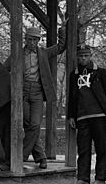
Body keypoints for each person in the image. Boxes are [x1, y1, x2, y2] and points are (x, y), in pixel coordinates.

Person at [4, 26, 65, 169]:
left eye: (35, 40)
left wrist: (62, 30)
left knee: (35, 125)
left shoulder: (43, 53)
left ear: (38, 40)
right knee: (29, 126)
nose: (32, 42)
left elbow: (61, 47)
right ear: (25, 39)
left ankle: (19, 157)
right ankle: (41, 157)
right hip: (22, 93)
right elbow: (3, 69)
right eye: (29, 39)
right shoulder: (17, 53)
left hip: (38, 92)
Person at [67, 43, 106, 184]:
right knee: (83, 149)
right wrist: (71, 116)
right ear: (77, 57)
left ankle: (100, 179)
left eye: (86, 56)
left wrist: (103, 107)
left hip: (98, 116)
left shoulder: (100, 72)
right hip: (82, 117)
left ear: (90, 56)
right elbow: (72, 97)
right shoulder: (74, 75)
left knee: (101, 147)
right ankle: (82, 179)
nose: (83, 58)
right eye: (80, 56)